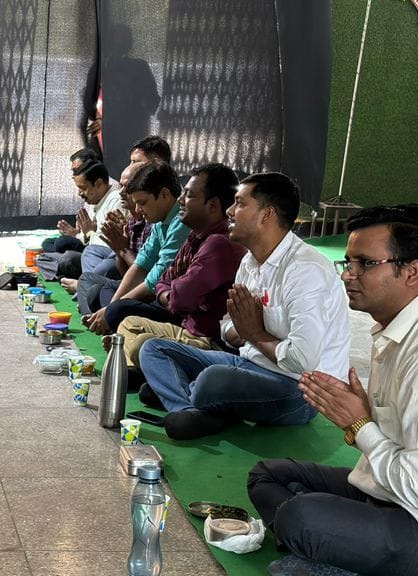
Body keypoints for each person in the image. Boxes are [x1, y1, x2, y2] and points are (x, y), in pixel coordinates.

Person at [248, 204, 418, 576]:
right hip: (389, 495)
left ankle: (336, 545)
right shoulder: (401, 327)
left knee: (300, 517)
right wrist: (367, 415)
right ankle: (342, 545)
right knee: (267, 475)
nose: (347, 274)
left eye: (366, 263)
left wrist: (359, 424)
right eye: (348, 261)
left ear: (412, 271)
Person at [138, 172, 350, 440]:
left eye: (239, 203)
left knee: (212, 380)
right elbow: (227, 326)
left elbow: (303, 360)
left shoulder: (305, 270)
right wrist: (241, 330)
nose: (229, 211)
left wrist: (254, 333)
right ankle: (189, 409)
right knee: (153, 349)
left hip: (300, 390)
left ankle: (182, 395)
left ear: (266, 215)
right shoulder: (249, 262)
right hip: (248, 364)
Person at [115, 163, 246, 383]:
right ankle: (143, 371)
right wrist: (170, 287)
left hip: (207, 341)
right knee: (127, 323)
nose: (181, 201)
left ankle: (146, 370)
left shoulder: (218, 244)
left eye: (189, 195)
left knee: (142, 343)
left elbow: (178, 301)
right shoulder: (196, 235)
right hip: (186, 328)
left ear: (212, 206)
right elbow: (163, 279)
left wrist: (170, 289)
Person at [85, 161, 191, 335]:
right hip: (153, 293)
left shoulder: (181, 222)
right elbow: (141, 264)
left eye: (142, 202)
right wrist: (111, 306)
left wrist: (112, 309)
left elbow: (155, 279)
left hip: (171, 304)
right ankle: (111, 323)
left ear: (165, 195)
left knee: (118, 309)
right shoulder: (160, 221)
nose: (138, 210)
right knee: (99, 293)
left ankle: (113, 325)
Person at [64, 161, 148, 314]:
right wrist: (120, 250)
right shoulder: (132, 222)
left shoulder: (155, 224)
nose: (121, 192)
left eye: (128, 186)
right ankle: (91, 305)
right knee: (83, 273)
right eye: (121, 185)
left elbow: (149, 280)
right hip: (120, 269)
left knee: (94, 279)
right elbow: (124, 269)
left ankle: (95, 310)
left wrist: (122, 249)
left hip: (149, 293)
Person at [38, 159, 122, 283]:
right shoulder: (96, 200)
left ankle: (83, 283)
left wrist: (89, 234)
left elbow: (109, 245)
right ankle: (79, 278)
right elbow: (86, 236)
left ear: (99, 183)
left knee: (68, 257)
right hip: (89, 253)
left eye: (83, 188)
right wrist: (81, 234)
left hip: (102, 258)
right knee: (43, 258)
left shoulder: (115, 200)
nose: (80, 193)